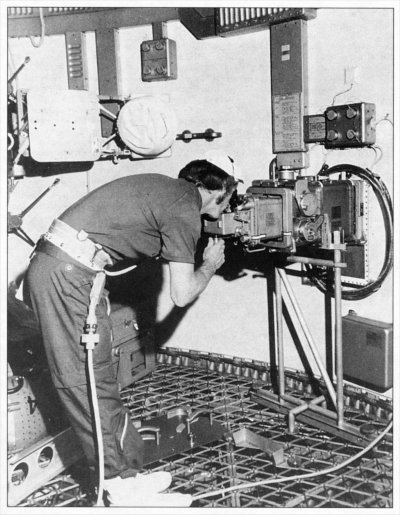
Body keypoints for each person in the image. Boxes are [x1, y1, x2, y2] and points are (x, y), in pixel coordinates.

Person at [23, 157, 238, 507]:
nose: (228, 208)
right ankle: (119, 489)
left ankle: (129, 473)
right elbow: (182, 294)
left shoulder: (168, 192)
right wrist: (210, 265)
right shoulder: (186, 207)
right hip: (66, 276)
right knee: (86, 382)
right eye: (228, 199)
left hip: (75, 273)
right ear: (216, 190)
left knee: (101, 378)